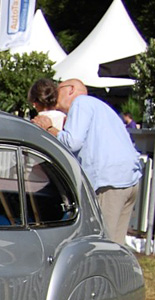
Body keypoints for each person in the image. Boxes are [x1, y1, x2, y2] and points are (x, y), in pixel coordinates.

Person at [32, 78, 142, 245]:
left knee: (100, 241)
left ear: (70, 90)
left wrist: (48, 128)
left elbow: (72, 142)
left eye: (58, 89)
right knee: (116, 244)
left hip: (109, 182)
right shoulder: (100, 107)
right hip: (128, 180)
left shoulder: (80, 102)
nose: (55, 95)